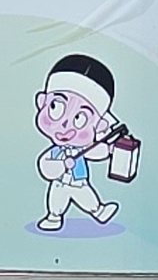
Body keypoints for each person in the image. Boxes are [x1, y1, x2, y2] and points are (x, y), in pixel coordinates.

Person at [34, 53, 125, 231]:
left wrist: (110, 150)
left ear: (99, 125)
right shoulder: (55, 152)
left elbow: (96, 151)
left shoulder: (85, 147)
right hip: (60, 182)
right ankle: (53, 217)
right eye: (56, 108)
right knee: (56, 199)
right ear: (41, 102)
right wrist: (61, 165)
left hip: (79, 182)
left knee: (86, 196)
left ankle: (98, 211)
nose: (65, 126)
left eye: (80, 118)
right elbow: (46, 167)